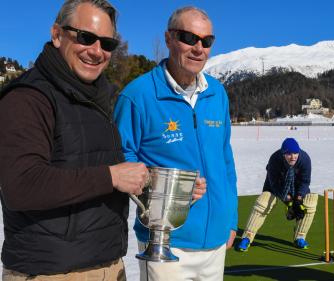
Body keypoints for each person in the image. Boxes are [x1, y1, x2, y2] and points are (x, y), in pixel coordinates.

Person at [0, 0, 150, 279]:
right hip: (51, 272)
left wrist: (153, 181)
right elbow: (21, 185)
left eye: (107, 44)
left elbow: (93, 164)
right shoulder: (28, 98)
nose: (96, 51)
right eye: (85, 37)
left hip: (108, 265)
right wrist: (111, 177)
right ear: (57, 35)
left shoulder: (99, 100)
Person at [113, 6, 237, 281]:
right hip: (165, 243)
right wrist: (171, 189)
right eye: (189, 38)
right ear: (169, 39)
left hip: (215, 243)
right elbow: (122, 162)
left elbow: (225, 160)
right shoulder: (138, 95)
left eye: (207, 41)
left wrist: (230, 220)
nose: (198, 48)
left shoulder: (217, 94)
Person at [237, 138, 317, 251]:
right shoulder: (275, 159)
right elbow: (274, 184)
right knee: (263, 203)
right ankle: (247, 238)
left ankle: (300, 237)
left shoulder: (305, 159)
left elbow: (305, 181)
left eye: (295, 153)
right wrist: (288, 201)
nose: (293, 157)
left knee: (310, 202)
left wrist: (298, 199)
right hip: (276, 186)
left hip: (296, 187)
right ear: (283, 153)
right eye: (289, 154)